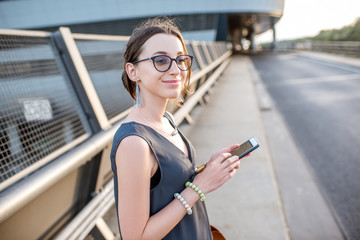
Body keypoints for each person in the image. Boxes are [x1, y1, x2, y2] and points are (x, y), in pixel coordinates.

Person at [110, 17, 241, 240]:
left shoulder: (166, 120)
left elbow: (166, 186)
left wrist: (206, 170)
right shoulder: (135, 144)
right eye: (161, 60)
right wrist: (198, 187)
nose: (176, 70)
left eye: (180, 59)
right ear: (133, 72)